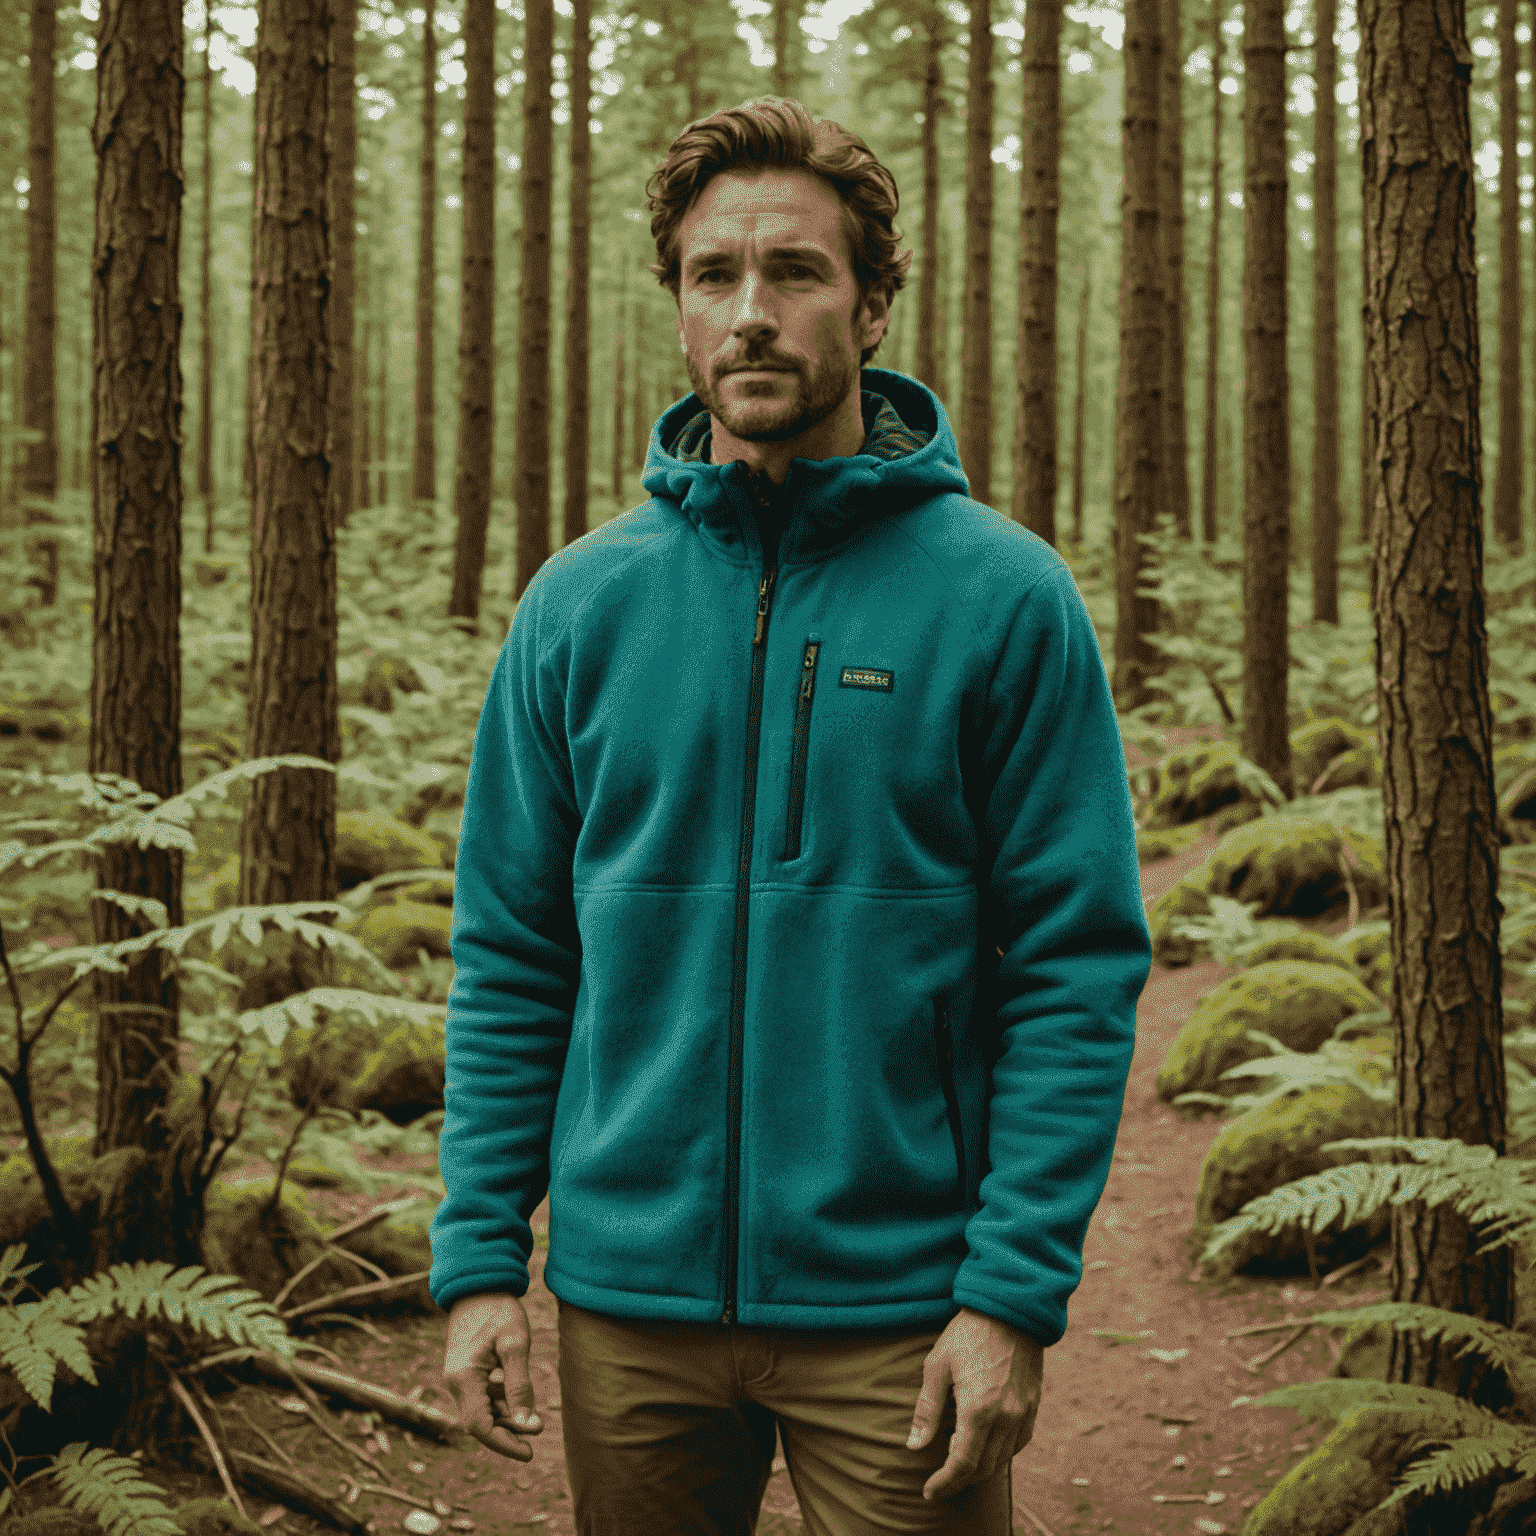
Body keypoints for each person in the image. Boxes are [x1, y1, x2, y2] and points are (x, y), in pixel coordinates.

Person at [430, 96, 1151, 1536]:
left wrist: (1011, 1297)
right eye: (715, 275)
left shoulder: (1003, 598)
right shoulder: (581, 605)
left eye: (796, 272)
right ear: (681, 306)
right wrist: (477, 1268)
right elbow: (514, 957)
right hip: (626, 1313)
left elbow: (1075, 968)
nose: (752, 313)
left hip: (901, 1317)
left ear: (873, 300)